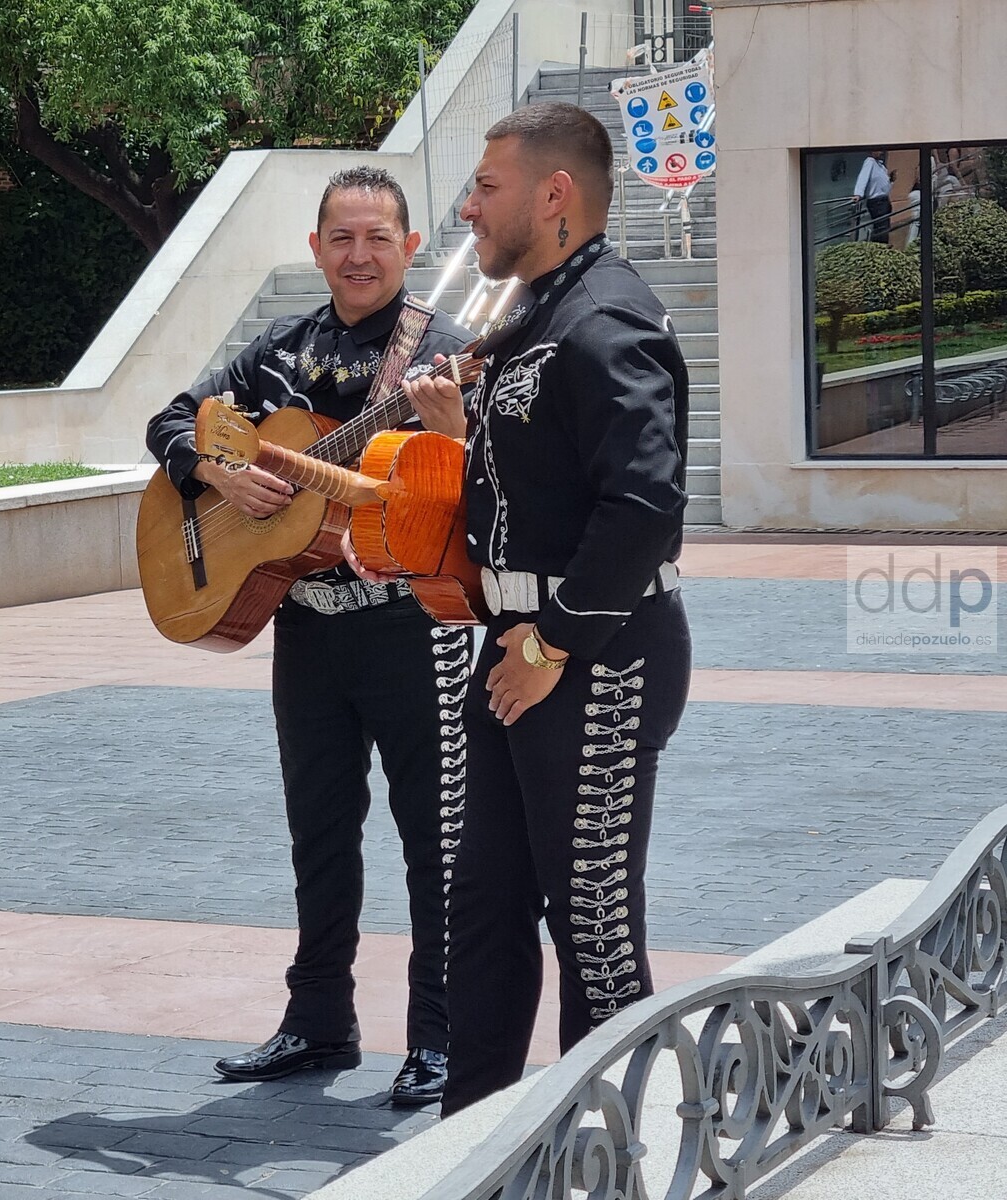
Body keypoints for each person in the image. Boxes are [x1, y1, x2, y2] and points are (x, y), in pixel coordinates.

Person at [145, 166, 473, 1106]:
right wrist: (215, 472)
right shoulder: (280, 353)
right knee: (319, 833)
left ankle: (440, 1038)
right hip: (307, 632)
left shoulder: (441, 354)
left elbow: (485, 485)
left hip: (413, 629)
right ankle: (319, 1021)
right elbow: (168, 416)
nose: (359, 254)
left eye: (378, 238)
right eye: (341, 237)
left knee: (433, 840)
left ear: (411, 248)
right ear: (317, 247)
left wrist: (456, 427)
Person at [390, 102, 691, 1115]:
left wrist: (554, 642)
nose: (467, 207)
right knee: (480, 908)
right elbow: (542, 480)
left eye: (487, 187)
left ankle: (602, 1153)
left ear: (553, 195)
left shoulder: (604, 317)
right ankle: (471, 1146)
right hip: (513, 645)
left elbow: (645, 504)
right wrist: (459, 431)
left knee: (591, 922)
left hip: (594, 651)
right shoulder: (530, 319)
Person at [852, 150, 892, 243]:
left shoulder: (881, 166)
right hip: (876, 201)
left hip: (884, 200)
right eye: (878, 150)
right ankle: (880, 249)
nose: (881, 152)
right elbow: (863, 177)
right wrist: (858, 194)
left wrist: (891, 180)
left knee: (884, 226)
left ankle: (882, 248)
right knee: (881, 227)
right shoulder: (870, 162)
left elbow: (884, 186)